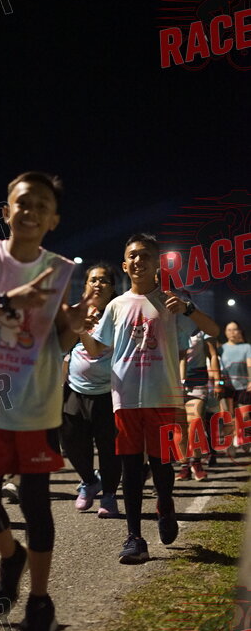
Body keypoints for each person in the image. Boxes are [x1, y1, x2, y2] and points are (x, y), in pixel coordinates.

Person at [0, 171, 89, 631]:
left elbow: (59, 340)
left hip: (37, 401)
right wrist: (10, 299)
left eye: (42, 206)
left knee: (35, 504)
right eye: (23, 202)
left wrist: (73, 324)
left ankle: (40, 602)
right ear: (6, 210)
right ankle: (12, 557)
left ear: (53, 220)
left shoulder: (59, 269)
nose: (31, 212)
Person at [80, 233, 219, 564]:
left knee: (161, 463)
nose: (138, 260)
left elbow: (213, 330)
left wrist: (188, 309)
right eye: (133, 256)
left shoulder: (172, 302)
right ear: (125, 264)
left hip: (164, 397)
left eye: (145, 255)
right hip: (125, 398)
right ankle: (134, 537)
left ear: (157, 263)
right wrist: (80, 329)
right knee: (131, 466)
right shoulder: (116, 306)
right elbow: (96, 348)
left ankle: (165, 505)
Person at [61, 263, 121, 517]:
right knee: (71, 441)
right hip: (75, 388)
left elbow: (100, 348)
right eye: (93, 280)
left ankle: (109, 495)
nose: (98, 284)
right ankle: (89, 481)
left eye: (103, 280)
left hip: (109, 390)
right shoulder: (76, 311)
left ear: (112, 287)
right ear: (85, 285)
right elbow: (62, 346)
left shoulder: (120, 311)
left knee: (109, 447)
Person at [176, 307, 221, 481]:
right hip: (175, 380)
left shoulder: (202, 327)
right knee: (180, 426)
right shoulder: (170, 325)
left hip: (198, 379)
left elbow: (213, 355)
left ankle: (196, 462)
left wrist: (218, 382)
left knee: (195, 422)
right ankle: (184, 466)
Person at [220, 322, 251, 452]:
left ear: (240, 331)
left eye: (235, 329)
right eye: (229, 330)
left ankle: (245, 439)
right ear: (225, 332)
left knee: (245, 416)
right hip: (227, 387)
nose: (232, 332)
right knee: (228, 417)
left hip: (243, 386)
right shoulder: (221, 348)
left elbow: (249, 365)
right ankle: (230, 445)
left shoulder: (246, 347)